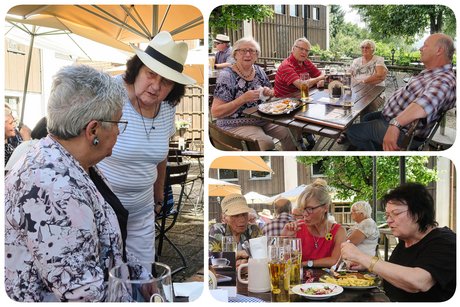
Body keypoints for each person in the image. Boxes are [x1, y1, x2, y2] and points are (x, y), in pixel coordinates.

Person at [5, 65, 127, 302]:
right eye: (117, 123)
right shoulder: (53, 186)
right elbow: (82, 294)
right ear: (93, 130)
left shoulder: (66, 159)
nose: (119, 132)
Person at [98, 31, 196, 263]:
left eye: (166, 82)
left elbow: (161, 154)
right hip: (103, 207)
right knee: (108, 276)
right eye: (151, 74)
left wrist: (159, 195)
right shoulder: (109, 95)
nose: (156, 86)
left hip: (143, 209)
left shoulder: (167, 107)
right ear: (137, 69)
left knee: (143, 276)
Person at [341, 183, 456, 302]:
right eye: (387, 215)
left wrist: (361, 257)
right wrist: (367, 266)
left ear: (419, 213)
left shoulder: (445, 241)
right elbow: (397, 274)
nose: (389, 220)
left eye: (396, 213)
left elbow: (419, 282)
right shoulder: (406, 240)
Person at [346, 33, 456, 151]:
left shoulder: (445, 80)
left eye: (425, 45)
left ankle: (380, 151)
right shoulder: (433, 72)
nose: (420, 48)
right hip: (391, 116)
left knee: (351, 131)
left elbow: (425, 104)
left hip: (404, 132)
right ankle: (375, 143)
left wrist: (396, 124)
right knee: (367, 117)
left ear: (439, 50)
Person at [211, 36, 297, 151]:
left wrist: (269, 93)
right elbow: (216, 112)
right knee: (267, 143)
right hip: (235, 123)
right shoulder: (227, 75)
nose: (248, 54)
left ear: (257, 55)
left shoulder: (259, 71)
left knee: (292, 132)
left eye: (252, 51)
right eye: (243, 51)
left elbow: (271, 95)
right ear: (235, 54)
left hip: (262, 118)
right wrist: (242, 99)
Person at [281, 179, 347, 268]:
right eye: (303, 209)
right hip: (301, 281)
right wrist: (286, 238)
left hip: (328, 280)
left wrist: (306, 263)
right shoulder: (297, 228)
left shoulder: (338, 231)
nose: (304, 214)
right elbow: (288, 262)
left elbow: (335, 261)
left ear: (325, 207)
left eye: (310, 209)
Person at [274, 37, 326, 148]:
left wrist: (320, 79)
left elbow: (319, 73)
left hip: (301, 99)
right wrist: (318, 79)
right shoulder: (286, 65)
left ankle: (306, 131)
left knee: (321, 105)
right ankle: (298, 139)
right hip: (283, 104)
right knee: (314, 106)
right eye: (301, 49)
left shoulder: (305, 62)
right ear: (293, 49)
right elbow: (302, 85)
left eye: (307, 50)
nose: (304, 52)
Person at [337, 39, 388, 144]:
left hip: (376, 94)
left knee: (366, 106)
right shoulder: (356, 61)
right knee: (346, 104)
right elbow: (349, 74)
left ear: (373, 49)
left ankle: (363, 136)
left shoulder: (378, 59)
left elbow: (380, 75)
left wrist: (363, 81)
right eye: (363, 47)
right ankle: (346, 132)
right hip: (357, 92)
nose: (364, 49)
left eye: (367, 47)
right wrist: (371, 80)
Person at [209, 194, 263, 266]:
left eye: (244, 214)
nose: (242, 220)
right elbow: (214, 259)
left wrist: (243, 264)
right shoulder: (217, 230)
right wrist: (238, 254)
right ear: (224, 217)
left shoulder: (253, 229)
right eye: (236, 215)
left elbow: (262, 257)